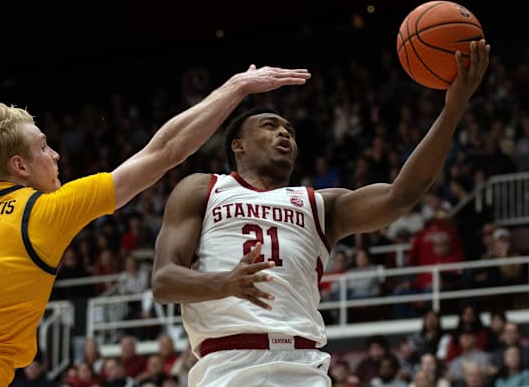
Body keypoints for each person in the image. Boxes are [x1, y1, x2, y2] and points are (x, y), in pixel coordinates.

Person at [0, 65, 312, 386]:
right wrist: (234, 88)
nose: (56, 156)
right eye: (44, 148)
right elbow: (164, 152)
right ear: (20, 166)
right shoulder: (46, 211)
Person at [151, 40, 490, 386]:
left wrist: (453, 108)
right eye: (269, 125)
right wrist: (224, 283)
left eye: (290, 131)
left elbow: (401, 195)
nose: (284, 132)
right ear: (238, 145)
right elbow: (164, 282)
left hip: (304, 364)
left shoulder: (319, 204)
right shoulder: (203, 189)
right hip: (228, 363)